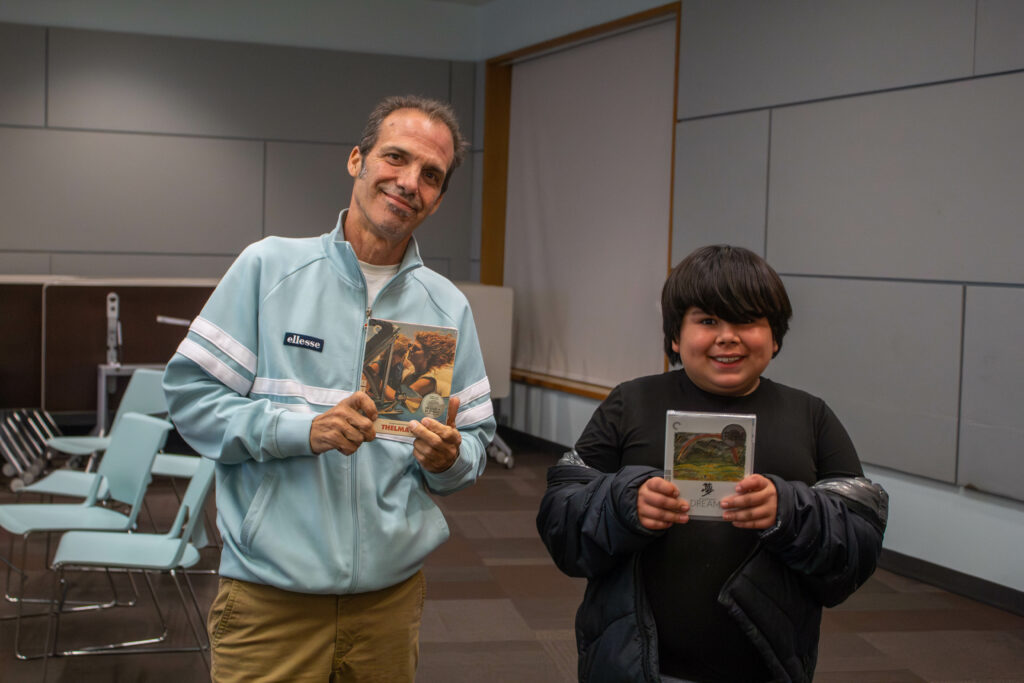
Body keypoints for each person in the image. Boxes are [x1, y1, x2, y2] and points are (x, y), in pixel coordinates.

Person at [163, 95, 496, 682]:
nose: (409, 182)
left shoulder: (447, 307)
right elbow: (191, 399)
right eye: (396, 157)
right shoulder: (268, 269)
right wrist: (301, 430)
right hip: (270, 599)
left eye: (431, 175)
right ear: (356, 160)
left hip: (388, 604)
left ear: (439, 198)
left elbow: (474, 446)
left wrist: (448, 458)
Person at [536, 245, 888, 683]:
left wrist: (788, 511)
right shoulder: (631, 403)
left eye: (747, 321)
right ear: (674, 337)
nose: (728, 336)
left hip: (766, 665)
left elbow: (859, 545)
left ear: (775, 336)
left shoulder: (810, 416)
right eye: (707, 321)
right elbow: (559, 519)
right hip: (635, 664)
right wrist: (626, 503)